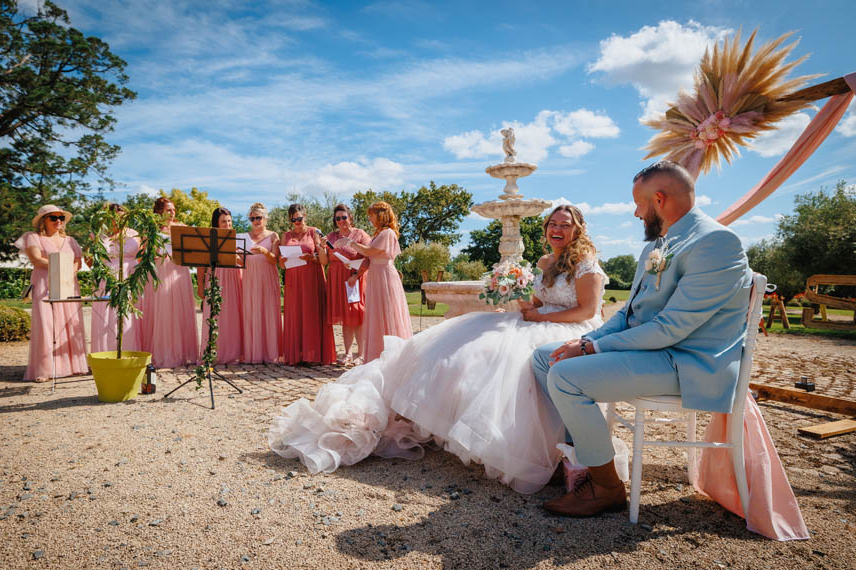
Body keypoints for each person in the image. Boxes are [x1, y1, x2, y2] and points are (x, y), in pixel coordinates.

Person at [270, 205, 609, 494]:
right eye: (552, 223)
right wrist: (516, 292)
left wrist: (536, 315)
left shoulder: (586, 261)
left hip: (570, 328)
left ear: (578, 229)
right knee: (464, 346)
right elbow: (536, 301)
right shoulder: (547, 261)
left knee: (508, 360)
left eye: (565, 225)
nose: (556, 229)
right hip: (537, 319)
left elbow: (587, 310)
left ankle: (548, 449)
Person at [533, 161, 752, 517]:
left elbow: (671, 328)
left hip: (687, 362)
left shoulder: (716, 242)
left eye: (638, 204)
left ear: (660, 200)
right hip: (655, 353)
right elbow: (628, 313)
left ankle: (606, 488)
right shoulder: (660, 242)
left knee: (566, 376)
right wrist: (588, 338)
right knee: (547, 357)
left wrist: (591, 348)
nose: (635, 213)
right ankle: (584, 457)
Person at [15, 205, 89, 382]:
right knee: (46, 324)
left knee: (70, 323)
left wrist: (68, 274)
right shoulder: (33, 237)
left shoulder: (71, 241)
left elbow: (78, 261)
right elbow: (36, 259)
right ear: (43, 220)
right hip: (43, 283)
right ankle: (45, 369)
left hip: (68, 284)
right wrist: (59, 267)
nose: (58, 221)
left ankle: (73, 366)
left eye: (61, 218)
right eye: (53, 218)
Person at [334, 201, 411, 362]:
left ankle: (392, 354)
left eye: (371, 215)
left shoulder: (388, 233)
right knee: (376, 314)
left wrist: (350, 243)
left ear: (380, 215)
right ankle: (377, 352)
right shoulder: (378, 234)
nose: (369, 218)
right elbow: (370, 257)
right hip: (376, 274)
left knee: (387, 312)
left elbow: (370, 251)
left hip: (384, 275)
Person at [139, 197, 199, 368]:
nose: (172, 213)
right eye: (168, 210)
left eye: (173, 210)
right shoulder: (151, 230)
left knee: (180, 310)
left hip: (179, 270)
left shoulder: (182, 228)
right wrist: (156, 256)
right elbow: (143, 255)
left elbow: (194, 249)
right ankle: (162, 353)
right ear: (159, 211)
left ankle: (182, 353)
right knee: (163, 311)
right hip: (160, 271)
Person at [279, 203, 336, 365]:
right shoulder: (285, 236)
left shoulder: (314, 232)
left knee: (312, 314)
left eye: (299, 218)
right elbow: (281, 265)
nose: (297, 221)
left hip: (312, 278)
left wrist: (312, 258)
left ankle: (313, 355)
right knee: (295, 315)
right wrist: (282, 261)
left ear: (305, 215)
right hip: (293, 280)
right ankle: (296, 355)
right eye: (293, 219)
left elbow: (324, 261)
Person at [90, 204, 142, 354]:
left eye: (123, 218)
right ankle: (105, 352)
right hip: (106, 277)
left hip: (130, 276)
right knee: (107, 315)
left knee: (128, 316)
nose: (119, 221)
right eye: (115, 218)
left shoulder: (135, 234)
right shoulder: (100, 234)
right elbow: (91, 260)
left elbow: (141, 256)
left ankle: (129, 351)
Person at [325, 204, 371, 365]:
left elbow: (368, 256)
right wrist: (319, 246)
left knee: (356, 315)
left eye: (344, 217)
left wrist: (356, 275)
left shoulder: (360, 234)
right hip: (337, 278)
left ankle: (362, 354)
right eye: (338, 218)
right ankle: (347, 353)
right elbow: (325, 260)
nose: (341, 221)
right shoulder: (331, 236)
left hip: (354, 278)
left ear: (350, 217)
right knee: (345, 316)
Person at [197, 207, 243, 365]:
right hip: (215, 278)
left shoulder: (237, 239)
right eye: (224, 222)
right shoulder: (208, 240)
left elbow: (243, 262)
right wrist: (200, 285)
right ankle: (214, 352)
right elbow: (201, 265)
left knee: (233, 315)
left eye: (229, 221)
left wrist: (236, 257)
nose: (228, 224)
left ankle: (234, 352)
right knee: (215, 315)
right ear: (216, 223)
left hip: (234, 279)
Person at [240, 202, 282, 364]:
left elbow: (275, 260)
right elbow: (240, 260)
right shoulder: (244, 237)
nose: (256, 221)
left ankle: (270, 353)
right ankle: (253, 353)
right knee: (252, 312)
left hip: (267, 278)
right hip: (250, 278)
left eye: (259, 217)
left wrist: (265, 251)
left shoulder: (273, 236)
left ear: (265, 218)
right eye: (252, 218)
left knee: (269, 312)